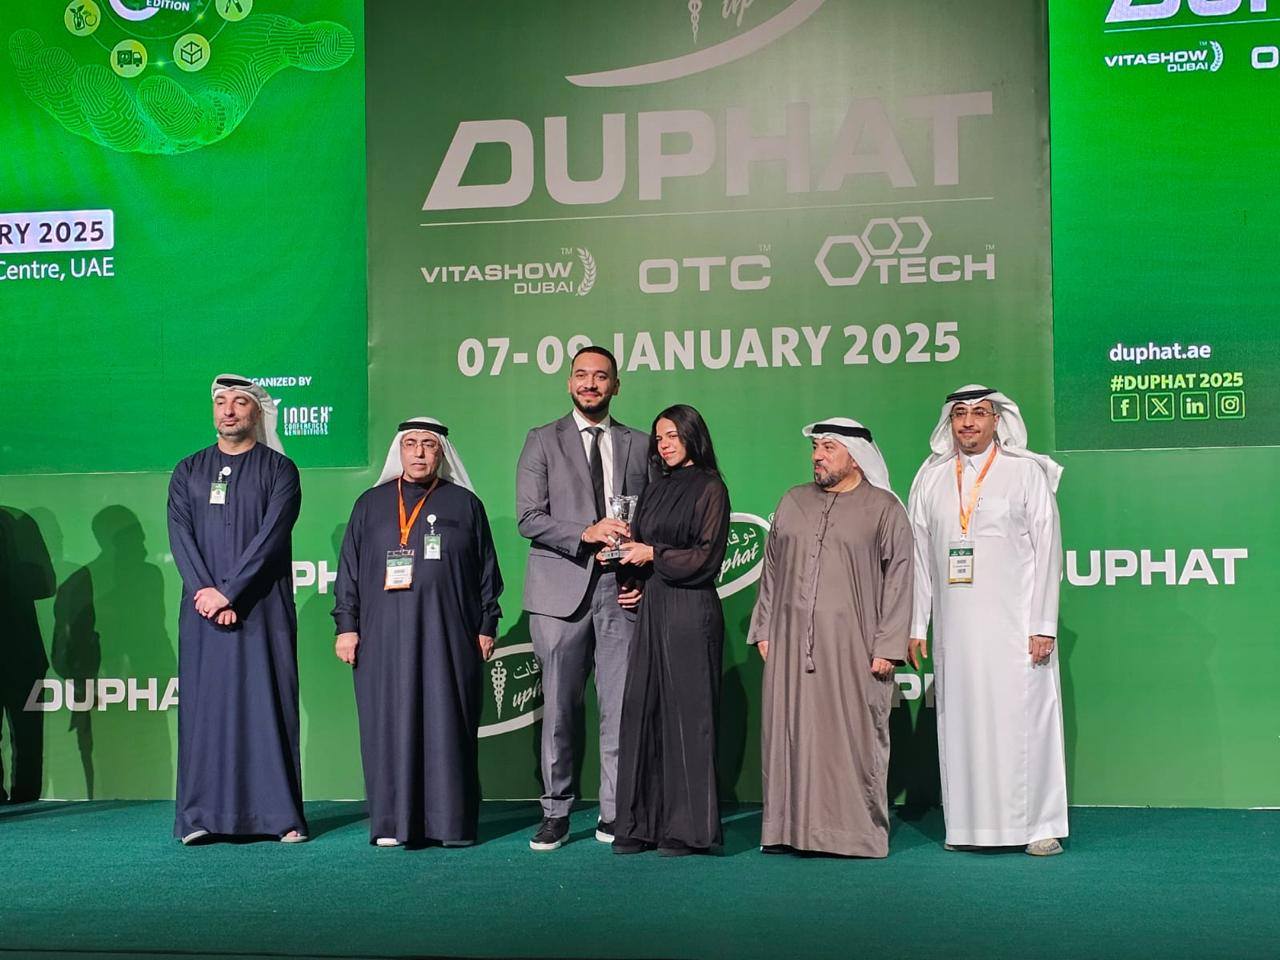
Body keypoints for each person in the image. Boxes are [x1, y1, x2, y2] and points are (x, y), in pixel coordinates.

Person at [906, 385, 1068, 856]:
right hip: (955, 635)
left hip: (1017, 631)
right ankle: (968, 827)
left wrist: (1044, 624)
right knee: (962, 725)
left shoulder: (1025, 472)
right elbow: (919, 560)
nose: (968, 422)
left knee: (1026, 724)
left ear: (997, 420)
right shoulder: (931, 479)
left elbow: (1048, 550)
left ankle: (1039, 827)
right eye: (960, 414)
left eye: (979, 413)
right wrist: (917, 625)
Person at [332, 418, 503, 848]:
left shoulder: (465, 504)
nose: (420, 452)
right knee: (387, 725)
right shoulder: (370, 504)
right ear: (399, 451)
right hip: (383, 639)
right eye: (411, 444)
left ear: (441, 452)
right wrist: (346, 627)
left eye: (428, 444)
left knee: (448, 723)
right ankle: (393, 823)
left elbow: (487, 573)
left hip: (450, 636)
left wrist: (487, 625)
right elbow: (348, 572)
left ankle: (450, 825)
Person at [747, 418, 913, 858]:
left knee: (852, 739)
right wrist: (763, 628)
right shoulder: (793, 500)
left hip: (855, 648)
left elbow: (900, 581)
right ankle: (786, 830)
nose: (817, 456)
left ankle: (854, 835)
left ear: (855, 457)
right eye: (816, 448)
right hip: (788, 645)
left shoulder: (884, 509)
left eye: (828, 448)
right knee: (790, 735)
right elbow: (771, 570)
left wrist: (889, 645)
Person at [516, 345, 651, 851]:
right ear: (569, 382)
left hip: (622, 591)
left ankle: (615, 812)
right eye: (581, 375)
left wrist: (641, 572)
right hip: (558, 593)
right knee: (559, 711)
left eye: (600, 376)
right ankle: (556, 811)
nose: (590, 383)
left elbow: (651, 516)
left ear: (616, 385)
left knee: (619, 708)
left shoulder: (639, 444)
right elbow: (528, 517)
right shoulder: (541, 439)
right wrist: (585, 532)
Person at [167, 375, 307, 843]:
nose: (228, 410)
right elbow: (180, 537)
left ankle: (280, 818)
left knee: (266, 708)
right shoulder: (188, 470)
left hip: (262, 611)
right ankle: (200, 818)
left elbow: (271, 538)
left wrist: (230, 594)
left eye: (240, 402)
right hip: (202, 611)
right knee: (205, 713)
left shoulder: (280, 471)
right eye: (221, 402)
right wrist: (208, 593)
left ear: (256, 412)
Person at [608, 405, 730, 857]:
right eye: (659, 438)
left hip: (690, 612)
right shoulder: (655, 488)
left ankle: (689, 831)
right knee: (644, 712)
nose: (664, 445)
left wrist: (652, 556)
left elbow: (706, 558)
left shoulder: (711, 488)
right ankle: (641, 825)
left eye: (673, 436)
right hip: (654, 608)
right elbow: (638, 547)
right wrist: (630, 578)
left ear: (693, 436)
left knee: (687, 718)